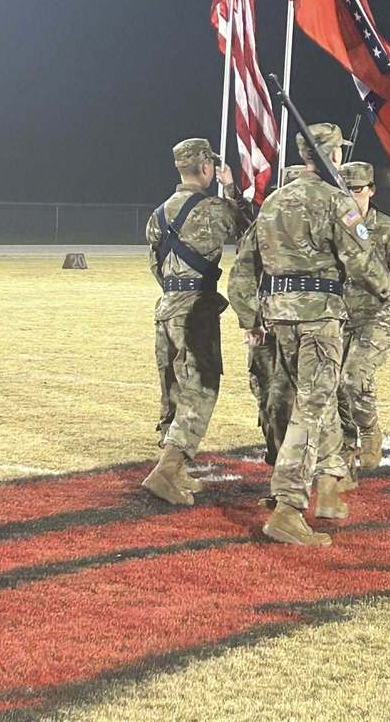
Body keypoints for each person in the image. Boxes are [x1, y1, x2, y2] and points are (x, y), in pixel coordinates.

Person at [228, 124, 390, 547]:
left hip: (278, 318)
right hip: (319, 318)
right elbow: (360, 258)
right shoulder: (335, 200)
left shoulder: (274, 201)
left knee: (297, 403)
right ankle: (288, 507)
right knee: (313, 407)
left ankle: (322, 485)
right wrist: (387, 286)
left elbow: (241, 272)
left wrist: (251, 316)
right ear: (334, 156)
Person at [141, 138, 251, 506]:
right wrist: (232, 187)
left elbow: (155, 266)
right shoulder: (214, 209)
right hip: (196, 311)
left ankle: (176, 470)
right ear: (205, 168)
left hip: (166, 306)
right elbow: (250, 230)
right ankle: (166, 471)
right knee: (201, 390)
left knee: (173, 388)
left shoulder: (157, 216)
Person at [337, 161, 390, 482]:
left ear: (371, 190)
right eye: (347, 191)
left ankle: (370, 432)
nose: (353, 197)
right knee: (333, 384)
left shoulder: (389, 230)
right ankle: (344, 443)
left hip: (378, 317)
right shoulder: (334, 228)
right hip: (340, 317)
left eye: (358, 190)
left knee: (353, 376)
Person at [229, 164, 303, 467]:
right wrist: (252, 320)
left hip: (290, 325)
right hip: (276, 326)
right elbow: (241, 276)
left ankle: (287, 458)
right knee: (270, 393)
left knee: (282, 395)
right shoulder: (265, 226)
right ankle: (280, 456)